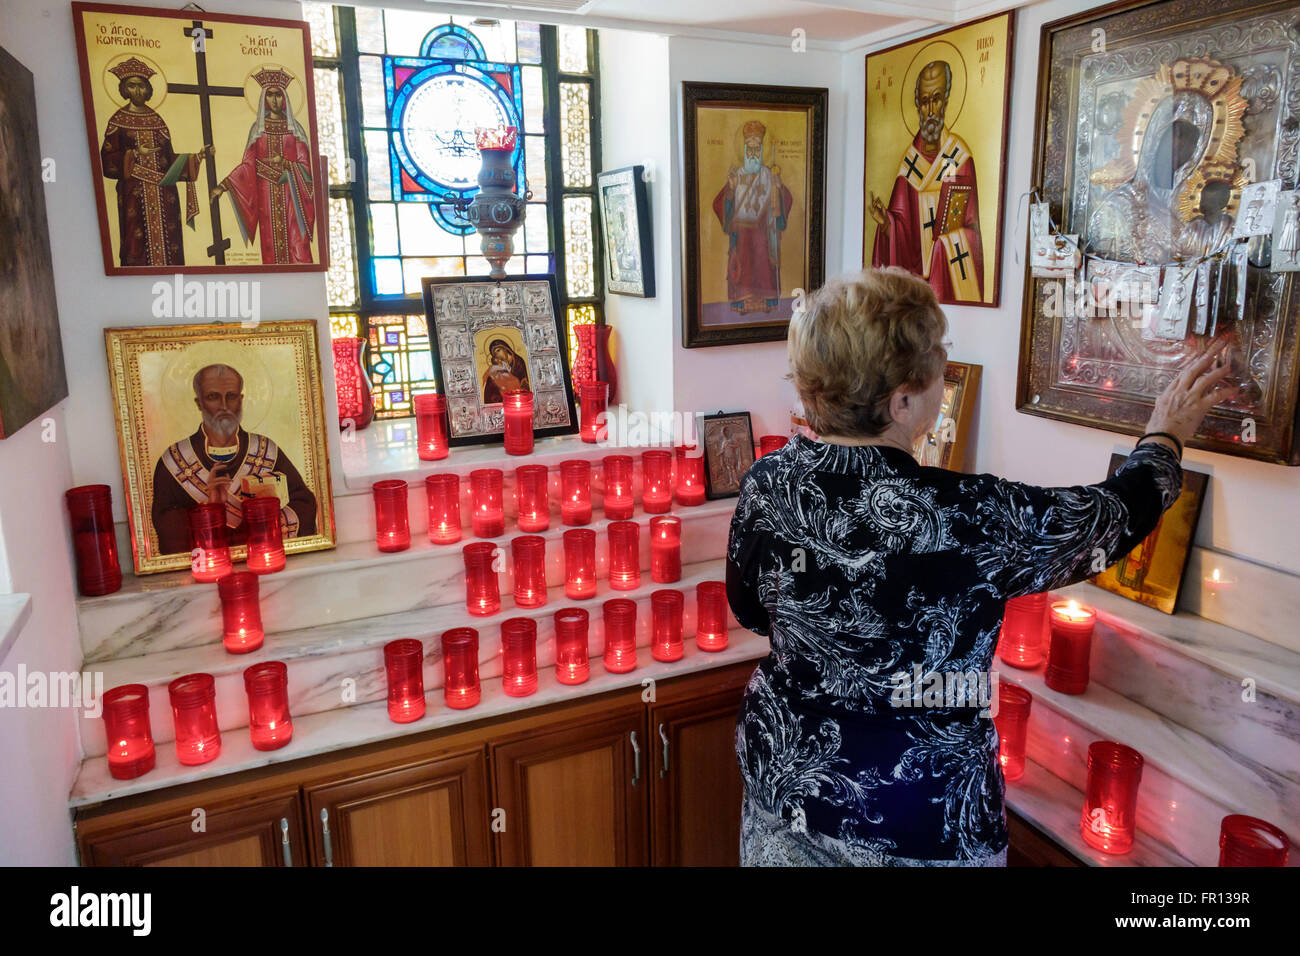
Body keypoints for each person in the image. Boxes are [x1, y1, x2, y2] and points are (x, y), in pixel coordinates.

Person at [728, 268, 1235, 866]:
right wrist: (1165, 437)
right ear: (902, 399)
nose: (946, 381)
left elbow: (750, 611)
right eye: (939, 367)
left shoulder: (768, 486)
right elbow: (1108, 520)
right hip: (924, 821)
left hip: (784, 791)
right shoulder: (973, 516)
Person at [152, 363, 318, 554]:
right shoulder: (174, 460)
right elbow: (166, 524)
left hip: (263, 555)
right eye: (213, 397)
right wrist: (211, 508)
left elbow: (304, 502)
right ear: (199, 403)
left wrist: (263, 518)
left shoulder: (265, 451)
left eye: (231, 396)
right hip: (208, 563)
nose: (224, 406)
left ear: (241, 399)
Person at [870, 61, 982, 302]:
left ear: (947, 101)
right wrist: (887, 223)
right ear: (917, 104)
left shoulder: (960, 157)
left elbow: (973, 232)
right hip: (915, 288)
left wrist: (945, 244)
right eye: (925, 101)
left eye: (937, 98)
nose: (931, 109)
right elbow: (902, 230)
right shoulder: (909, 165)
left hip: (949, 278)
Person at [99, 57, 213, 267]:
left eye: (141, 86)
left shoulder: (157, 120)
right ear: (124, 89)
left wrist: (195, 158)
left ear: (148, 89)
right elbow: (107, 160)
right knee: (136, 243)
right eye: (132, 86)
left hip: (164, 194)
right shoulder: (117, 121)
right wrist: (133, 154)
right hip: (134, 192)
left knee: (170, 245)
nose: (138, 91)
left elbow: (168, 160)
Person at [211, 68, 315, 264]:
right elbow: (248, 166)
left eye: (278, 95)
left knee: (297, 243)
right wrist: (224, 186)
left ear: (284, 98)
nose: (274, 100)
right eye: (270, 96)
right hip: (265, 194)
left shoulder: (296, 130)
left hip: (292, 194)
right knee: (270, 244)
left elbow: (306, 168)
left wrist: (286, 164)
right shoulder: (258, 130)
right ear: (264, 100)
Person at [712, 120, 794, 314]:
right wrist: (731, 191)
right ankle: (742, 304)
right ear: (744, 148)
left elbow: (786, 199)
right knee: (744, 269)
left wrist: (779, 187)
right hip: (741, 234)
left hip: (763, 231)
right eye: (750, 148)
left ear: (762, 149)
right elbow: (719, 203)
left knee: (763, 265)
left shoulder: (768, 174)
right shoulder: (736, 175)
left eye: (757, 148)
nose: (753, 152)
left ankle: (767, 302)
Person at [481, 338, 529, 405]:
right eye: (494, 354)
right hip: (503, 396)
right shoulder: (499, 365)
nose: (497, 355)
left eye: (498, 350)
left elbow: (524, 383)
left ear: (505, 348)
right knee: (490, 380)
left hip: (518, 397)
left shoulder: (518, 361)